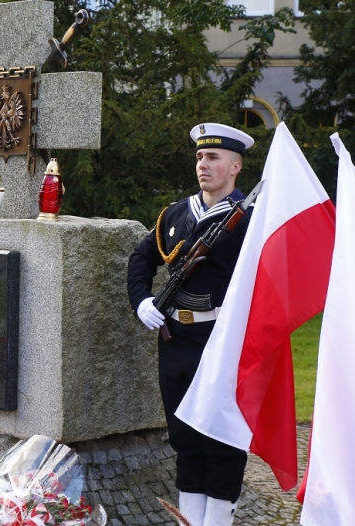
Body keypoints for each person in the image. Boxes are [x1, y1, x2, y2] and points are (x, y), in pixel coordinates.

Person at [127, 123, 255, 526]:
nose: (203, 164)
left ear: (235, 167)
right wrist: (142, 301)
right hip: (176, 339)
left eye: (213, 157)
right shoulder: (176, 214)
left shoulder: (249, 221)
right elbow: (141, 259)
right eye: (200, 156)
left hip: (220, 342)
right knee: (184, 438)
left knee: (221, 440)